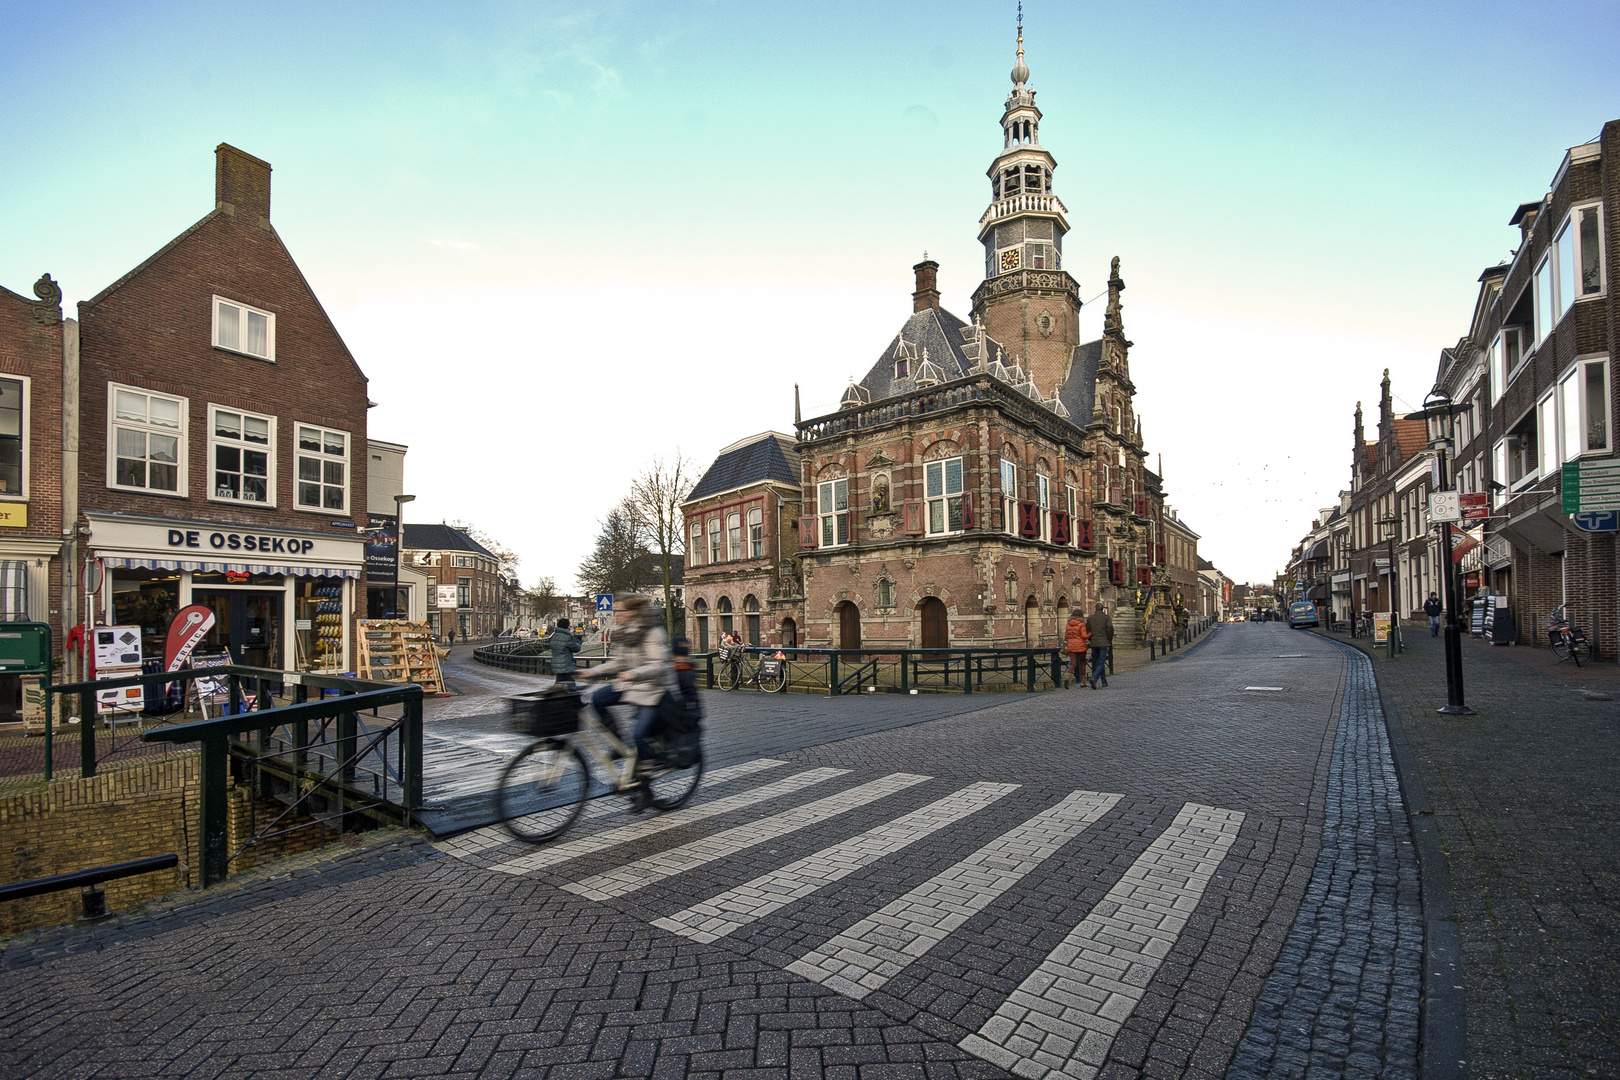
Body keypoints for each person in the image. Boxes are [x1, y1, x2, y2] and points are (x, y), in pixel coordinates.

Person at [580, 595, 676, 812]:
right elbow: (617, 662)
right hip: (631, 686)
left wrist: (633, 674)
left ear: (633, 612)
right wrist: (590, 672)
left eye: (620, 611)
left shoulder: (652, 632)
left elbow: (658, 665)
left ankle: (645, 789)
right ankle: (619, 746)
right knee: (598, 698)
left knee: (640, 734)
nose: (616, 615)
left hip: (652, 690)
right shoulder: (625, 633)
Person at [1085, 602, 1114, 689]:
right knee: (1101, 662)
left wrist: (1091, 639)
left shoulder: (1090, 618)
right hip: (1103, 642)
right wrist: (1109, 639)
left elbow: (1087, 630)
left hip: (1094, 642)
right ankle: (1094, 678)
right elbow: (1110, 629)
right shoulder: (1106, 617)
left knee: (1099, 662)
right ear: (1102, 609)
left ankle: (1104, 681)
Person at [550, 617, 583, 687]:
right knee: (571, 684)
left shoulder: (554, 636)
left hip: (556, 665)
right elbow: (575, 649)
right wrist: (579, 643)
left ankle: (555, 696)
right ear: (567, 626)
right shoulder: (567, 637)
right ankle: (574, 697)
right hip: (566, 665)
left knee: (559, 684)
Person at [1062, 611, 1090, 689]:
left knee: (1073, 663)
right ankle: (1083, 681)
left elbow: (1066, 635)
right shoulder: (1082, 624)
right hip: (1080, 646)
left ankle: (1067, 678)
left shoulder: (1068, 624)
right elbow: (1084, 636)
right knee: (1082, 663)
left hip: (1071, 645)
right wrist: (1090, 633)